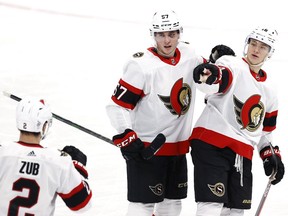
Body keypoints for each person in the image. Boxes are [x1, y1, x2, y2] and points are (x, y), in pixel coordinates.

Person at [105, 9, 208, 216]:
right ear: (153, 35)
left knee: (172, 204)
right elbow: (117, 105)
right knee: (142, 205)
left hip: (178, 148)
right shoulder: (141, 65)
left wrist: (217, 62)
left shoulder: (191, 55)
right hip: (147, 148)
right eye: (161, 35)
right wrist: (127, 134)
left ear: (180, 33)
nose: (167, 40)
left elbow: (209, 76)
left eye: (171, 34)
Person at [190, 27, 285, 215]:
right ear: (247, 45)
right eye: (253, 44)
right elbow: (219, 77)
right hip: (211, 144)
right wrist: (208, 74)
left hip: (242, 154)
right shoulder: (232, 63)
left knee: (236, 211)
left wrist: (270, 156)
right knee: (211, 205)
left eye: (263, 47)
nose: (256, 50)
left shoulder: (270, 91)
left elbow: (265, 132)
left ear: (270, 52)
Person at [0, 96, 92, 215]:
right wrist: (78, 169)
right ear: (44, 125)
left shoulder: (3, 153)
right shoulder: (58, 161)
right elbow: (82, 205)